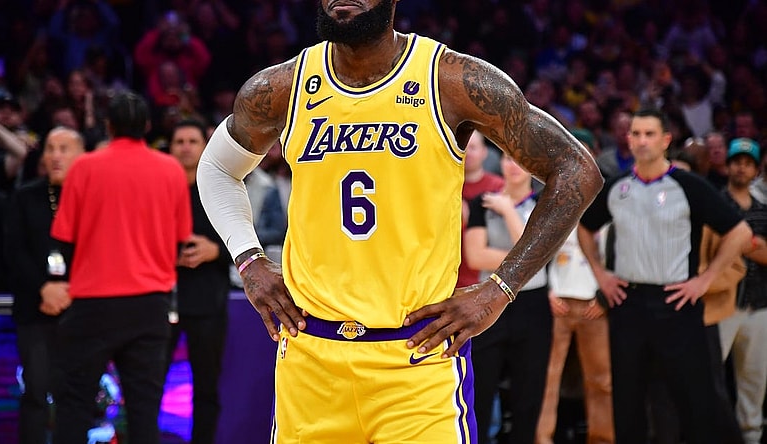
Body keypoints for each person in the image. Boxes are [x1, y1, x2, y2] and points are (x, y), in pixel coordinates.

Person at [196, 1, 602, 442]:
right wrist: (249, 260)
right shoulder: (282, 86)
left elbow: (576, 169)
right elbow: (216, 168)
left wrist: (500, 288)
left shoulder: (451, 80)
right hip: (311, 360)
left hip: (417, 360)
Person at [577, 108, 752, 444]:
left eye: (650, 134)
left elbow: (740, 233)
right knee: (627, 400)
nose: (642, 141)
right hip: (627, 302)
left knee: (695, 400)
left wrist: (704, 279)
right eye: (636, 134)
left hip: (677, 302)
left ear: (666, 140)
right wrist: (601, 275)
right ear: (628, 139)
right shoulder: (617, 187)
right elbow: (584, 228)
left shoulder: (689, 186)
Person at [50, 92, 192, 444]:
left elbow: (64, 237)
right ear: (147, 125)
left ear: (108, 125)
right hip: (150, 306)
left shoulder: (84, 167)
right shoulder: (170, 169)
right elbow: (180, 238)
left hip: (92, 304)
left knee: (74, 406)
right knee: (144, 412)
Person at [463, 154, 552, 443]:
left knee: (529, 394)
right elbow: (476, 256)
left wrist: (509, 211)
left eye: (520, 160)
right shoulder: (482, 203)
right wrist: (527, 261)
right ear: (500, 164)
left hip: (533, 306)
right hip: (490, 303)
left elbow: (538, 256)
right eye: (507, 159)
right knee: (481, 390)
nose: (513, 166)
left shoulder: (545, 204)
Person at [5, 127, 85, 444]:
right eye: (50, 148)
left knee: (74, 395)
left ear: (82, 156)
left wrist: (71, 290)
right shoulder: (25, 196)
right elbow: (13, 251)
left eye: (64, 149)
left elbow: (101, 250)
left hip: (80, 309)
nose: (55, 156)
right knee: (35, 392)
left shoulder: (94, 198)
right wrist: (44, 288)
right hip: (34, 309)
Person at [167, 119, 231, 444]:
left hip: (208, 301)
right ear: (170, 148)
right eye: (179, 141)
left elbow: (246, 239)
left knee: (206, 387)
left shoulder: (220, 190)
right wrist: (166, 252)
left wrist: (214, 250)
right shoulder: (158, 191)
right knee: (148, 385)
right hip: (163, 300)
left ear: (205, 146)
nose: (186, 147)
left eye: (192, 141)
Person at [534, 226, 613, 444]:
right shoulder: (561, 210)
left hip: (595, 305)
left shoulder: (607, 214)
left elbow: (620, 256)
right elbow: (540, 249)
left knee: (602, 380)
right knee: (547, 378)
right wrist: (546, 291)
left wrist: (605, 298)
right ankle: (541, 437)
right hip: (557, 304)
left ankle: (603, 439)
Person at [718, 138, 767, 444]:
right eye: (737, 162)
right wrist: (753, 244)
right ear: (727, 165)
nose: (741, 168)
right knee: (711, 377)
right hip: (723, 302)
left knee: (754, 378)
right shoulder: (716, 202)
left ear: (756, 170)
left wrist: (738, 243)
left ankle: (751, 436)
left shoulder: (763, 210)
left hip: (758, 304)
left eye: (748, 163)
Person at [458, 130, 504, 288]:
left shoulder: (498, 187)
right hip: (450, 275)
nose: (468, 153)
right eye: (463, 148)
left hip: (487, 278)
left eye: (473, 148)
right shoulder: (445, 188)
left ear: (484, 152)